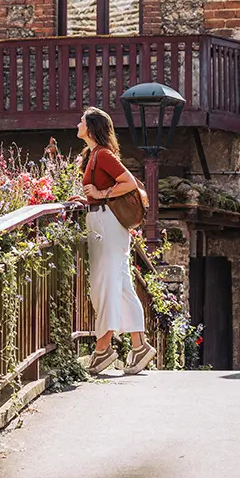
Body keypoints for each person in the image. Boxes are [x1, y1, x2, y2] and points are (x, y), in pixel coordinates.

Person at [71, 106, 156, 376]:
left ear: (92, 127)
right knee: (119, 286)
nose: (78, 124)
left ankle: (103, 348)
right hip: (105, 221)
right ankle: (139, 345)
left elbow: (129, 182)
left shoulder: (103, 154)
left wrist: (100, 192)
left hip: (106, 224)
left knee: (104, 285)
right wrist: (87, 198)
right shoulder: (94, 154)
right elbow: (100, 192)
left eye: (82, 121)